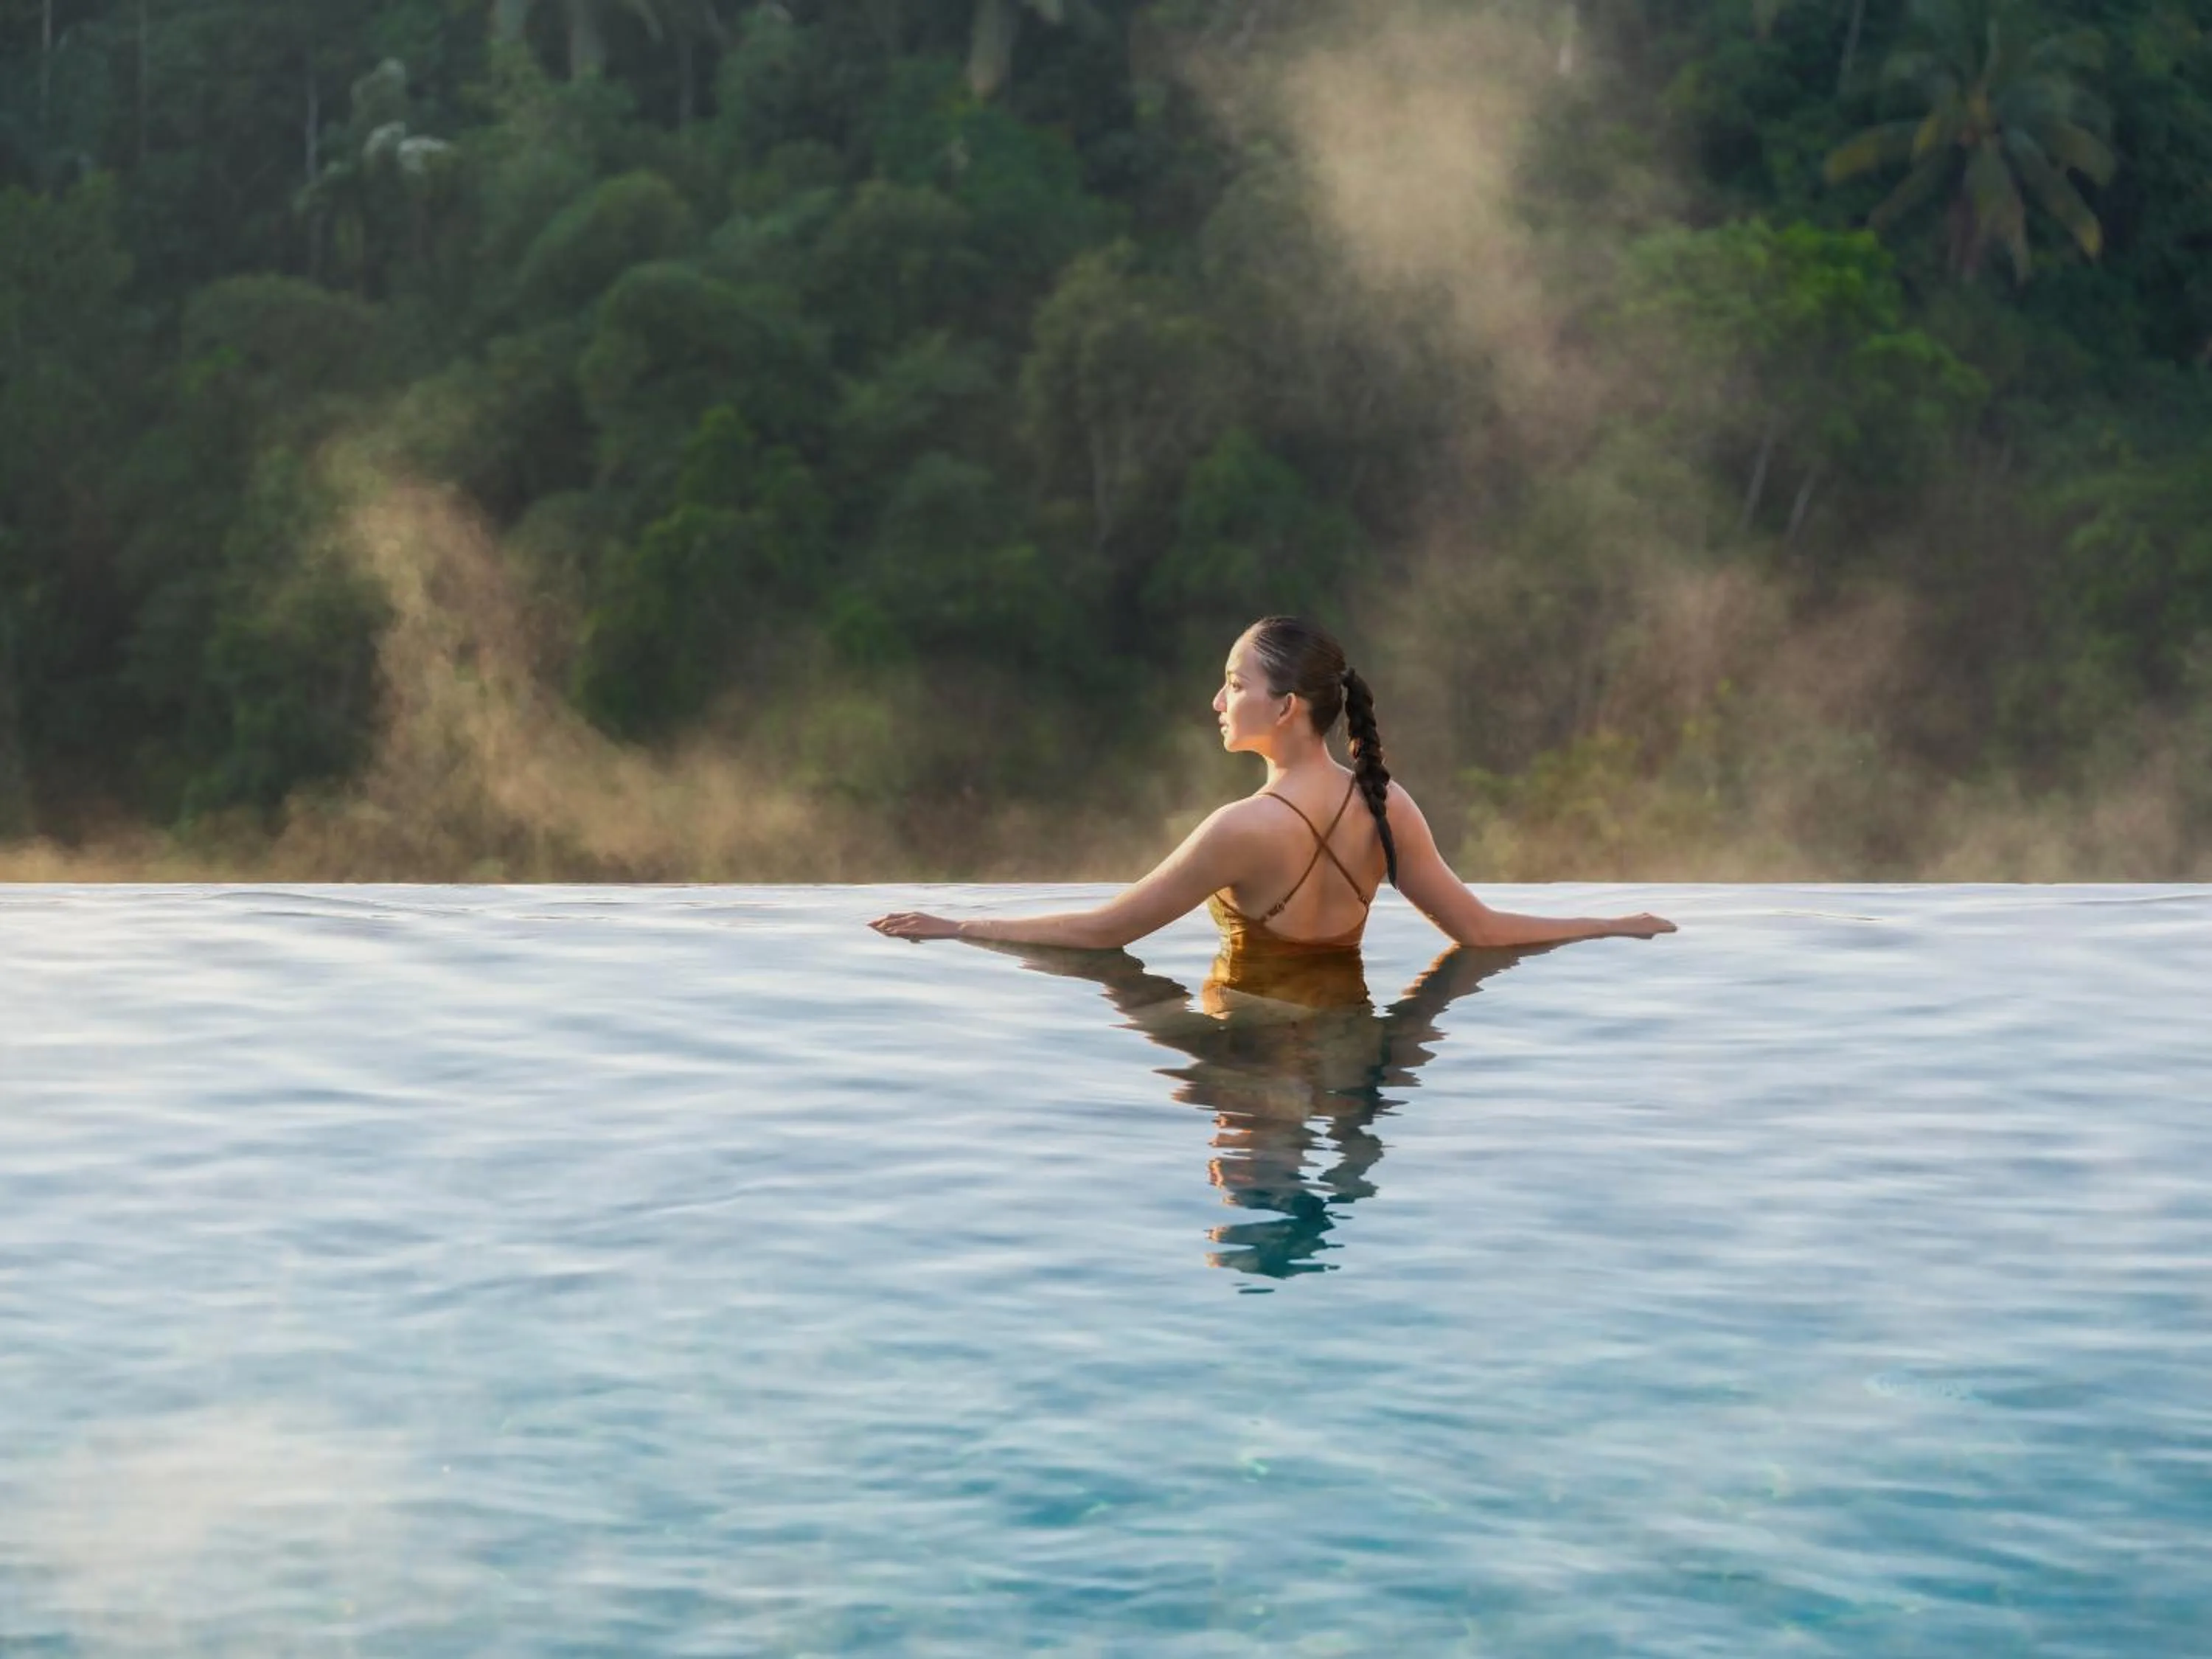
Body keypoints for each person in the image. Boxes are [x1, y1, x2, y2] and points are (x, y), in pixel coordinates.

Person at [869, 616, 1676, 950]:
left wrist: (958, 927)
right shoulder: (1386, 805)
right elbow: (1481, 931)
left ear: (1287, 707)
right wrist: (1611, 925)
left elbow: (1105, 931)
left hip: (1248, 1057)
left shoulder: (1240, 830)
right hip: (1348, 1059)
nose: (1217, 702)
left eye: (1233, 684)